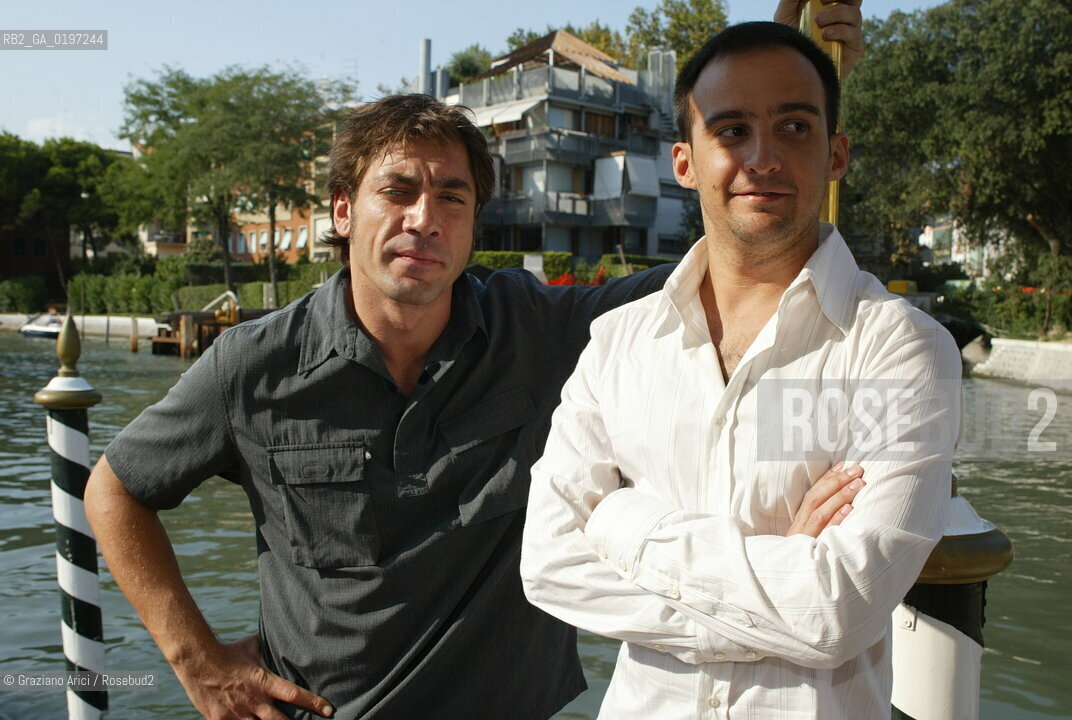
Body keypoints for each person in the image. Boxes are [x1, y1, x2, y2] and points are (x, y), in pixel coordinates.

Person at [84, 6, 867, 719]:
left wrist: (789, 67)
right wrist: (197, 658)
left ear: (473, 221)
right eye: (397, 190)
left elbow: (741, 251)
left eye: (452, 197)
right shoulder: (252, 365)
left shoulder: (542, 329)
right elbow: (115, 489)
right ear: (340, 210)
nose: (424, 218)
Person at [520, 20, 962, 720]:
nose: (761, 156)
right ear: (684, 162)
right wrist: (779, 570)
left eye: (792, 127)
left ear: (835, 152)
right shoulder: (618, 343)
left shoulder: (899, 349)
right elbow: (547, 565)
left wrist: (620, 523)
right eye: (729, 131)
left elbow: (839, 610)